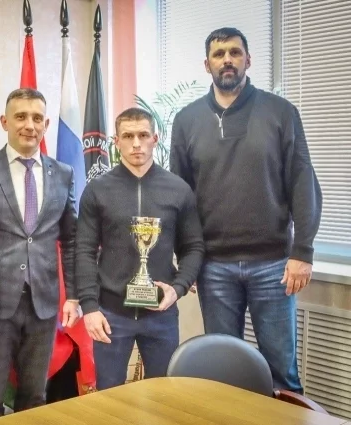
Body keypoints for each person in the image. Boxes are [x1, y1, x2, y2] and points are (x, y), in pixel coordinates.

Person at [170, 27, 322, 393]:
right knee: (223, 373)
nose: (227, 60)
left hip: (274, 266)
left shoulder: (280, 112)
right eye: (219, 54)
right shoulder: (187, 120)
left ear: (248, 60)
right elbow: (180, 196)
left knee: (282, 373)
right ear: (206, 64)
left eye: (235, 52)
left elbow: (303, 182)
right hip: (214, 268)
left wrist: (302, 252)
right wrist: (187, 258)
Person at [0, 88, 79, 422]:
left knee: (35, 396)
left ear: (46, 124)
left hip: (44, 303)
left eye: (37, 118)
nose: (29, 125)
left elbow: (71, 240)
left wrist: (74, 295)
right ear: (5, 122)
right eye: (21, 117)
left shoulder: (63, 173)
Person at [76, 107, 204, 389]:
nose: (136, 143)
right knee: (109, 396)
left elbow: (193, 247)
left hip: (161, 314)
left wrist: (178, 288)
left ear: (155, 139)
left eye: (143, 135)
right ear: (116, 141)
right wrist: (89, 307)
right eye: (128, 136)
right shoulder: (97, 190)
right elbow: (84, 250)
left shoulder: (178, 189)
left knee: (163, 394)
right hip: (110, 314)